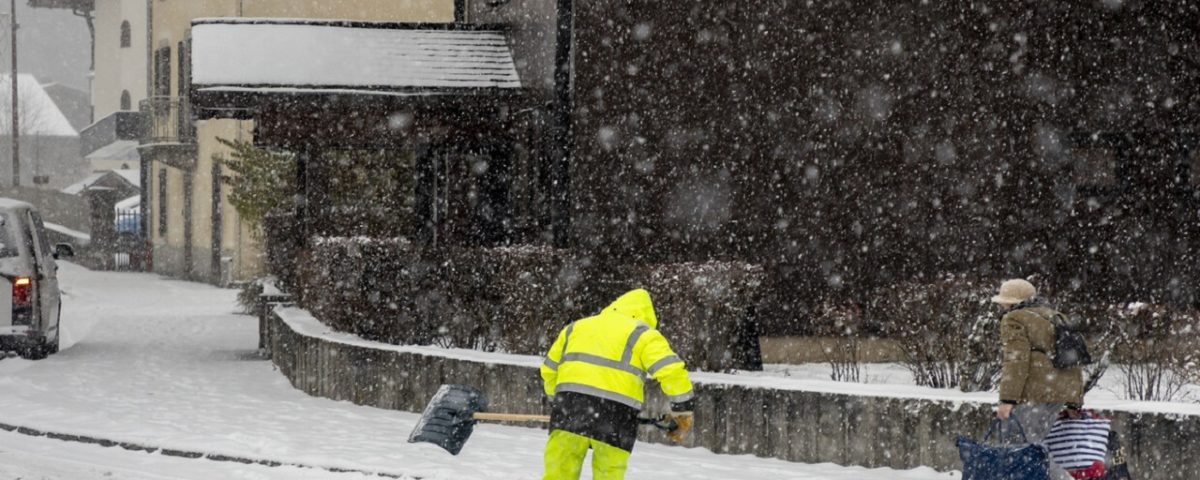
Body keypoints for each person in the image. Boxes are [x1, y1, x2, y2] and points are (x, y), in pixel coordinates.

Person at [539, 288, 695, 480]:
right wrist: (683, 410)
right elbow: (671, 371)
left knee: (559, 472)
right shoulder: (643, 334)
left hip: (570, 409)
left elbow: (548, 370)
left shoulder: (577, 327)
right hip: (616, 418)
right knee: (609, 473)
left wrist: (560, 403)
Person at [991, 278, 1084, 480]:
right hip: (1059, 393)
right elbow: (1074, 359)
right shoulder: (1056, 316)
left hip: (1035, 393)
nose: (1001, 305)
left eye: (1004, 300)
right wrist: (1074, 400)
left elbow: (1016, 360)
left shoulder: (1014, 319)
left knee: (1023, 448)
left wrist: (1007, 400)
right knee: (1032, 445)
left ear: (1012, 301)